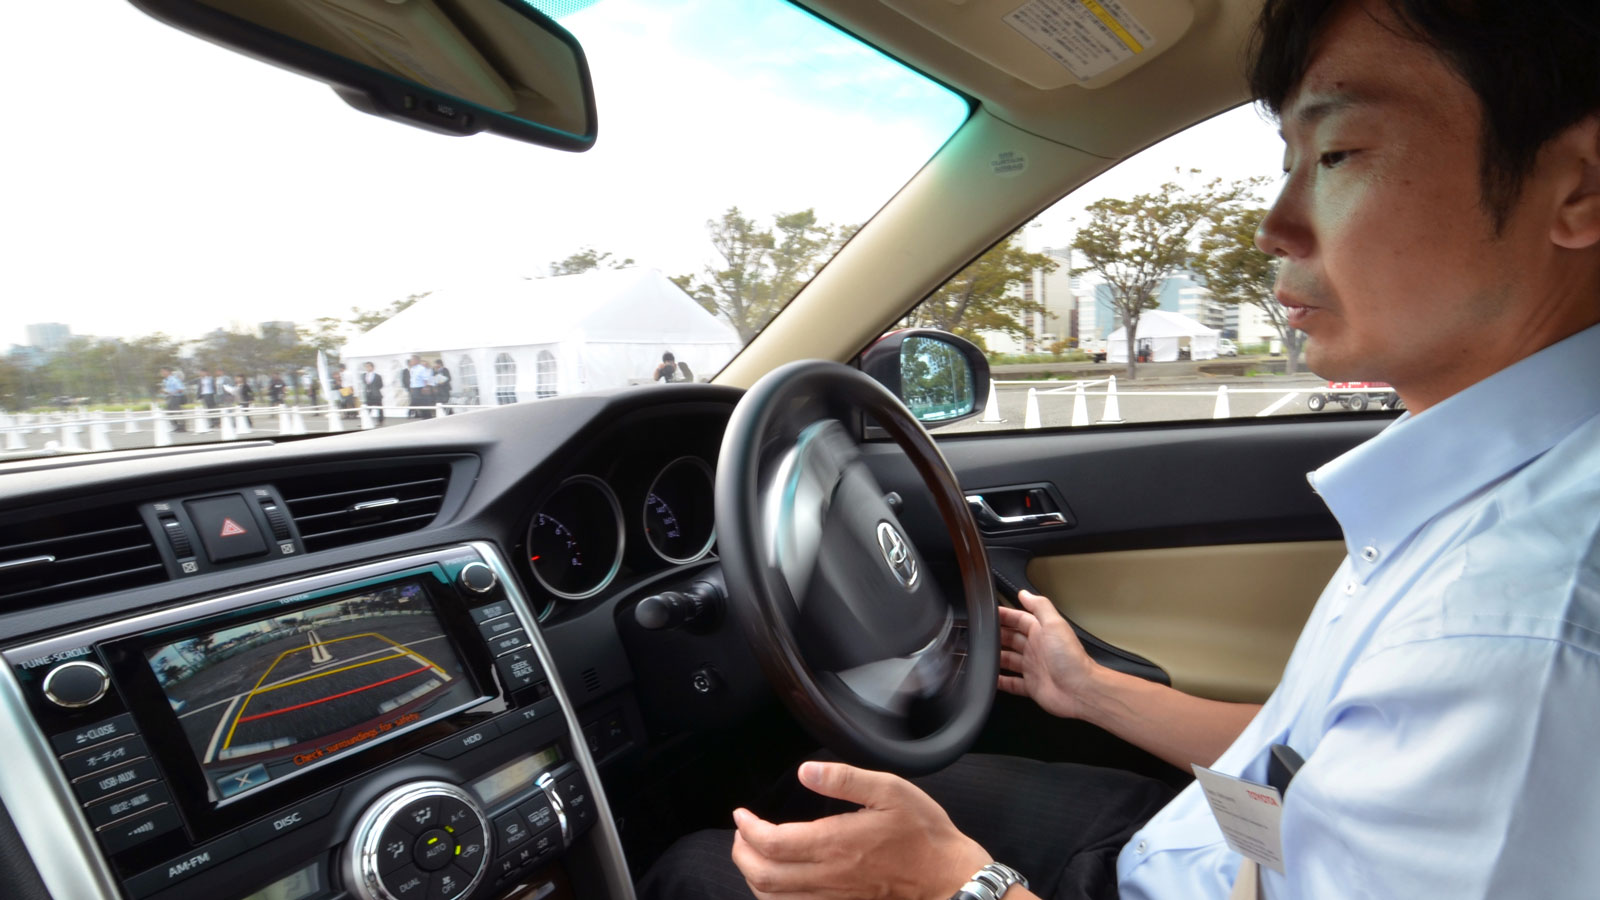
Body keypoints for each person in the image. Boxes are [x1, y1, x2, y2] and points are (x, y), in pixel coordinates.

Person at [640, 1, 1600, 898]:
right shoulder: (1491, 490)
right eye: (1290, 158)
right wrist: (1088, 691)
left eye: (1341, 153)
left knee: (694, 866)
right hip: (1216, 845)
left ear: (1579, 189)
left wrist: (953, 882)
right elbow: (1312, 761)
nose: (1275, 227)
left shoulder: (1516, 634)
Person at [159, 366, 186, 432]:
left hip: (175, 397)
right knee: (169, 412)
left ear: (168, 372)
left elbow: (181, 389)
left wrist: (171, 392)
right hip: (169, 397)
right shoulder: (165, 380)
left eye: (163, 371)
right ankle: (176, 426)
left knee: (177, 412)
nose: (162, 373)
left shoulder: (174, 379)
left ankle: (181, 427)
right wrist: (164, 392)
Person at [407, 354, 435, 418]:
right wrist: (411, 388)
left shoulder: (421, 368)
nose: (411, 361)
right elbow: (412, 380)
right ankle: (417, 414)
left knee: (423, 404)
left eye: (412, 360)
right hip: (414, 388)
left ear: (416, 360)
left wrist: (425, 387)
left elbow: (425, 379)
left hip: (421, 389)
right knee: (418, 404)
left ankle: (427, 418)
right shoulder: (412, 369)